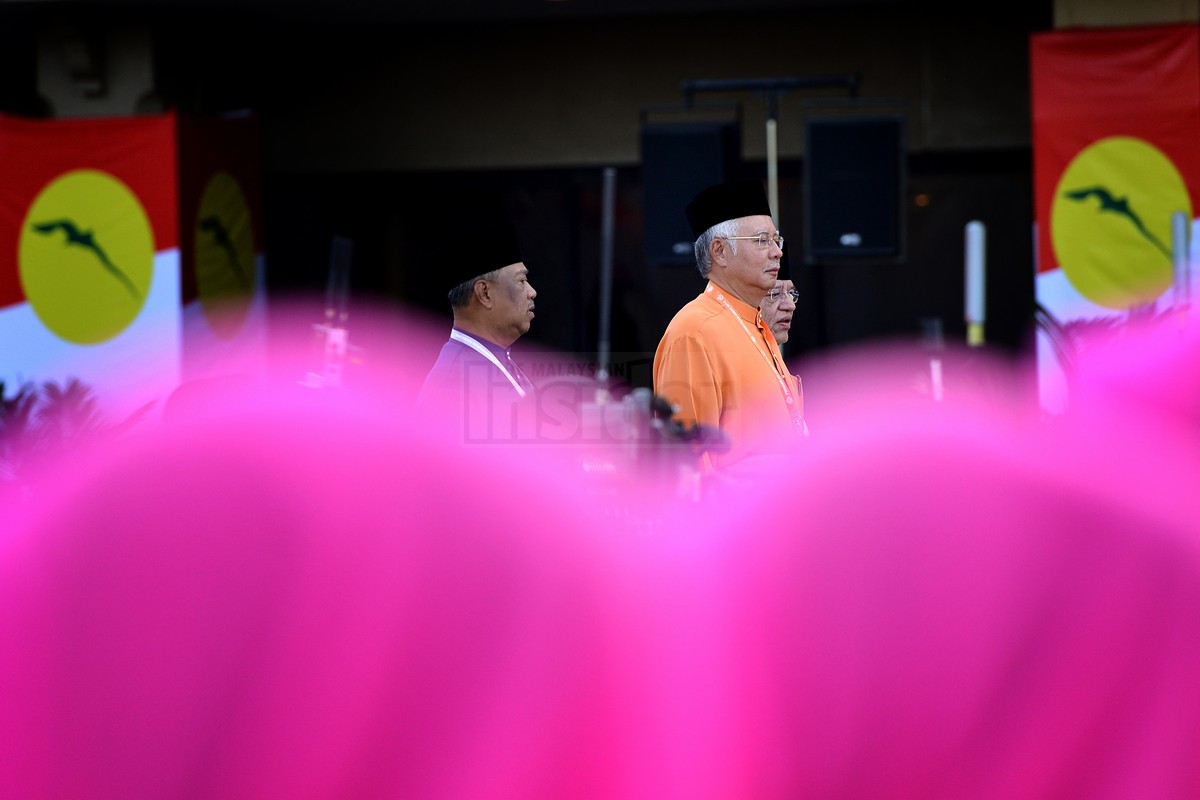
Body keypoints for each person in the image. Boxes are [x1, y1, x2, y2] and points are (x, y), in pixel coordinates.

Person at [652, 180, 806, 473]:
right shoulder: (694, 331)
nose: (777, 252)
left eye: (777, 240)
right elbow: (687, 460)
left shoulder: (756, 324)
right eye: (762, 240)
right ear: (720, 252)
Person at [416, 221, 537, 439]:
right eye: (522, 280)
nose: (532, 292)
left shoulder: (493, 361)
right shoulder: (452, 384)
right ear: (484, 293)